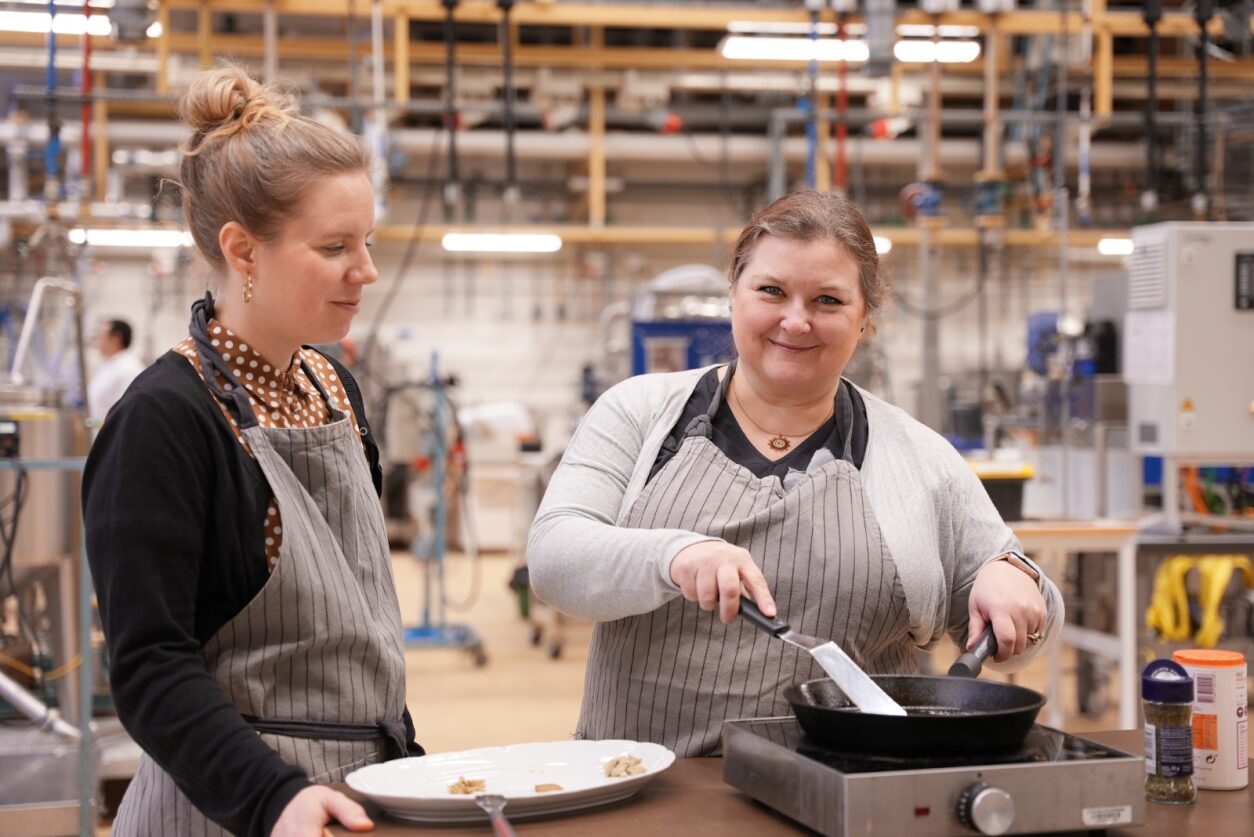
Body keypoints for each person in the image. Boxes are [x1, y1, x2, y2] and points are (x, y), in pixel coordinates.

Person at [527, 190, 1064, 757]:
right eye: (771, 291)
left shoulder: (917, 456)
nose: (795, 320)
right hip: (643, 784)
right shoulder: (639, 412)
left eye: (828, 300)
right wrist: (673, 556)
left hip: (851, 787)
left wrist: (1015, 579)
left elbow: (1027, 629)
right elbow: (554, 558)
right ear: (734, 293)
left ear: (865, 321)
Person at [83, 65, 421, 837]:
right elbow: (148, 667)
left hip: (355, 794)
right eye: (335, 246)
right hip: (232, 807)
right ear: (244, 250)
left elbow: (361, 633)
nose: (365, 271)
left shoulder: (333, 387)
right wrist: (273, 795)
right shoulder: (165, 418)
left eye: (366, 242)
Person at [86, 318, 144, 420]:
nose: (97, 341)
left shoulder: (128, 369)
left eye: (101, 336)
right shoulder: (110, 365)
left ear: (116, 338)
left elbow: (127, 411)